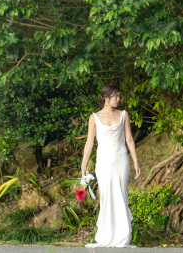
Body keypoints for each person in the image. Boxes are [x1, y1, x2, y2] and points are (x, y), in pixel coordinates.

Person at [80, 84, 141, 248]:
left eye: (119, 96)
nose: (119, 99)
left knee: (121, 196)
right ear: (107, 98)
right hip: (104, 163)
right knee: (106, 197)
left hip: (121, 161)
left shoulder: (123, 115)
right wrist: (83, 165)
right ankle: (107, 235)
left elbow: (129, 140)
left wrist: (135, 162)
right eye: (116, 96)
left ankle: (123, 236)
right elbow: (89, 142)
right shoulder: (94, 117)